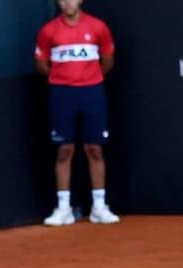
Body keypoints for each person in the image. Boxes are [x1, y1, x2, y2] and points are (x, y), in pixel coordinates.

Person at [35, 0, 120, 226]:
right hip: (61, 95)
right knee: (64, 149)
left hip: (92, 93)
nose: (66, 3)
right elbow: (42, 64)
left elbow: (108, 61)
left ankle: (99, 207)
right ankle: (63, 208)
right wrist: (64, 79)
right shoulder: (48, 31)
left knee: (95, 149)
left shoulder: (97, 27)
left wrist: (88, 79)